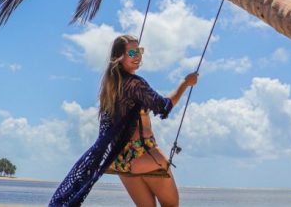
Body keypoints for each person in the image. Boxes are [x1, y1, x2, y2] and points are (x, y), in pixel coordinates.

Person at [48, 34, 198, 207]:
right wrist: (186, 83)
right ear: (119, 58)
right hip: (144, 154)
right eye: (132, 52)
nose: (138, 56)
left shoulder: (110, 87)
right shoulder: (135, 84)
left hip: (120, 160)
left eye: (139, 51)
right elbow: (163, 106)